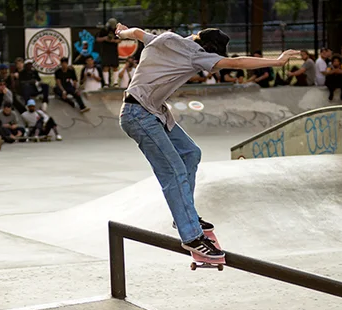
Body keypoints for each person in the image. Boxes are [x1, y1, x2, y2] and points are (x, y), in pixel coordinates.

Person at [115, 23, 299, 259]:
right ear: (208, 49)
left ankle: (184, 215)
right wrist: (276, 61)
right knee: (174, 170)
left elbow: (137, 33)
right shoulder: (195, 54)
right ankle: (191, 237)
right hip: (139, 115)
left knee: (191, 153)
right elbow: (238, 63)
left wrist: (121, 32)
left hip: (153, 112)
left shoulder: (165, 38)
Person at [97, 18, 121, 87]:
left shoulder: (117, 30)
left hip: (113, 50)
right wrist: (105, 38)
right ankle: (106, 83)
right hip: (106, 50)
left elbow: (120, 40)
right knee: (106, 66)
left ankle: (115, 83)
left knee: (115, 66)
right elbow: (98, 39)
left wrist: (113, 40)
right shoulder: (104, 30)